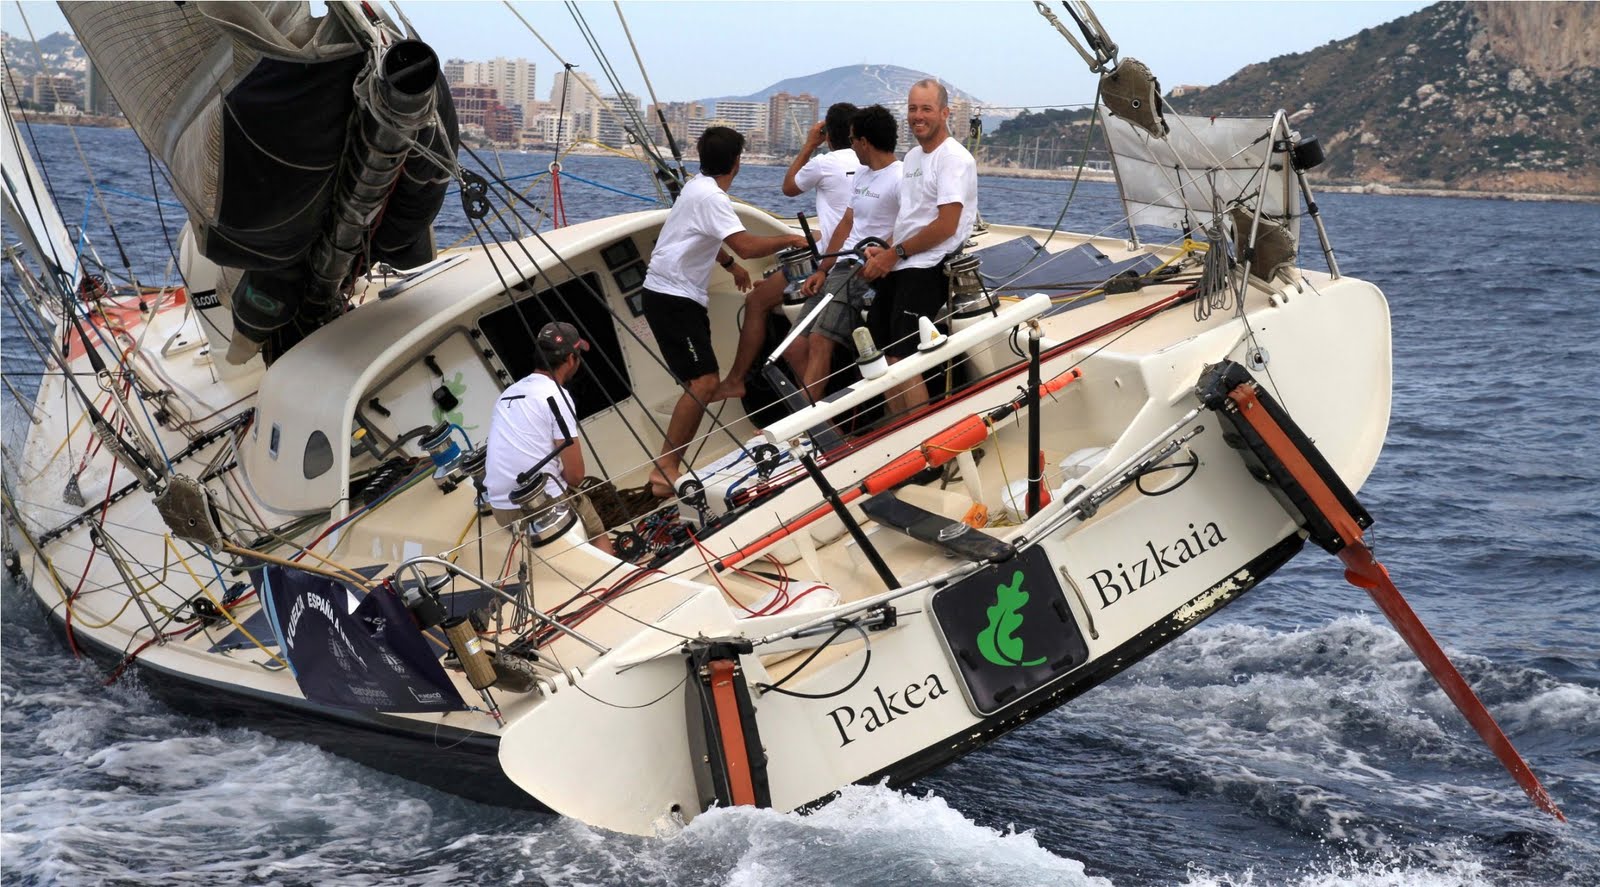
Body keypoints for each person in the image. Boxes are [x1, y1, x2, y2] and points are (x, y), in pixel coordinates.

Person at [639, 126, 808, 498]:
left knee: (701, 381)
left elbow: (705, 235)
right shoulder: (712, 197)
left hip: (672, 295)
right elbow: (746, 245)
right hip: (672, 297)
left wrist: (729, 266)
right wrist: (791, 238)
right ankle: (664, 470)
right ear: (737, 162)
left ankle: (668, 467)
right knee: (703, 383)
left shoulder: (695, 187)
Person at [712, 102, 859, 402]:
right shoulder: (869, 163)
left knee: (756, 301)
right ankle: (820, 410)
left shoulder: (824, 162)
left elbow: (789, 187)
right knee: (776, 298)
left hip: (829, 260)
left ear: (829, 134)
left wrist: (809, 145)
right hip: (849, 256)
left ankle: (737, 381)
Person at [860, 78, 978, 415]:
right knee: (879, 358)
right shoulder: (912, 157)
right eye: (913, 109)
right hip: (901, 262)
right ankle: (897, 431)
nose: (918, 116)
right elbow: (909, 219)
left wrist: (894, 253)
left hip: (929, 268)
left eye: (926, 108)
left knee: (903, 358)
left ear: (945, 113)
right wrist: (885, 248)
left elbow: (946, 225)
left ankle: (918, 437)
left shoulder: (953, 158)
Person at [795, 104, 903, 401]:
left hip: (862, 269)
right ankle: (821, 418)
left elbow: (908, 225)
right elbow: (847, 222)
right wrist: (822, 269)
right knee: (795, 345)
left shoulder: (901, 177)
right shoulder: (862, 174)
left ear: (864, 142)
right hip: (840, 266)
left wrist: (884, 253)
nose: (851, 144)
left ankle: (803, 420)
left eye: (853, 139)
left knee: (820, 339)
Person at [484, 322, 614, 555]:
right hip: (539, 504)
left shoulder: (507, 394)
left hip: (501, 509)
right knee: (596, 530)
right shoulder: (556, 396)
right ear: (571, 359)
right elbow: (576, 475)